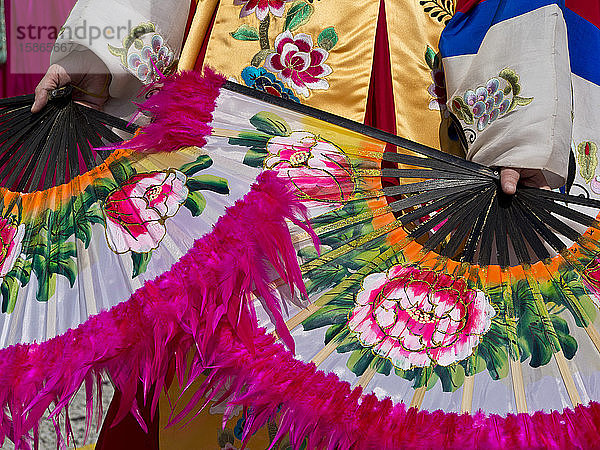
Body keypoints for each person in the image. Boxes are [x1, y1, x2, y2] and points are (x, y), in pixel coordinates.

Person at [30, 0, 599, 447]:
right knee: (223, 333)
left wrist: (518, 128)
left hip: (414, 81)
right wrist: (98, 47)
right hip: (258, 70)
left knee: (401, 365)